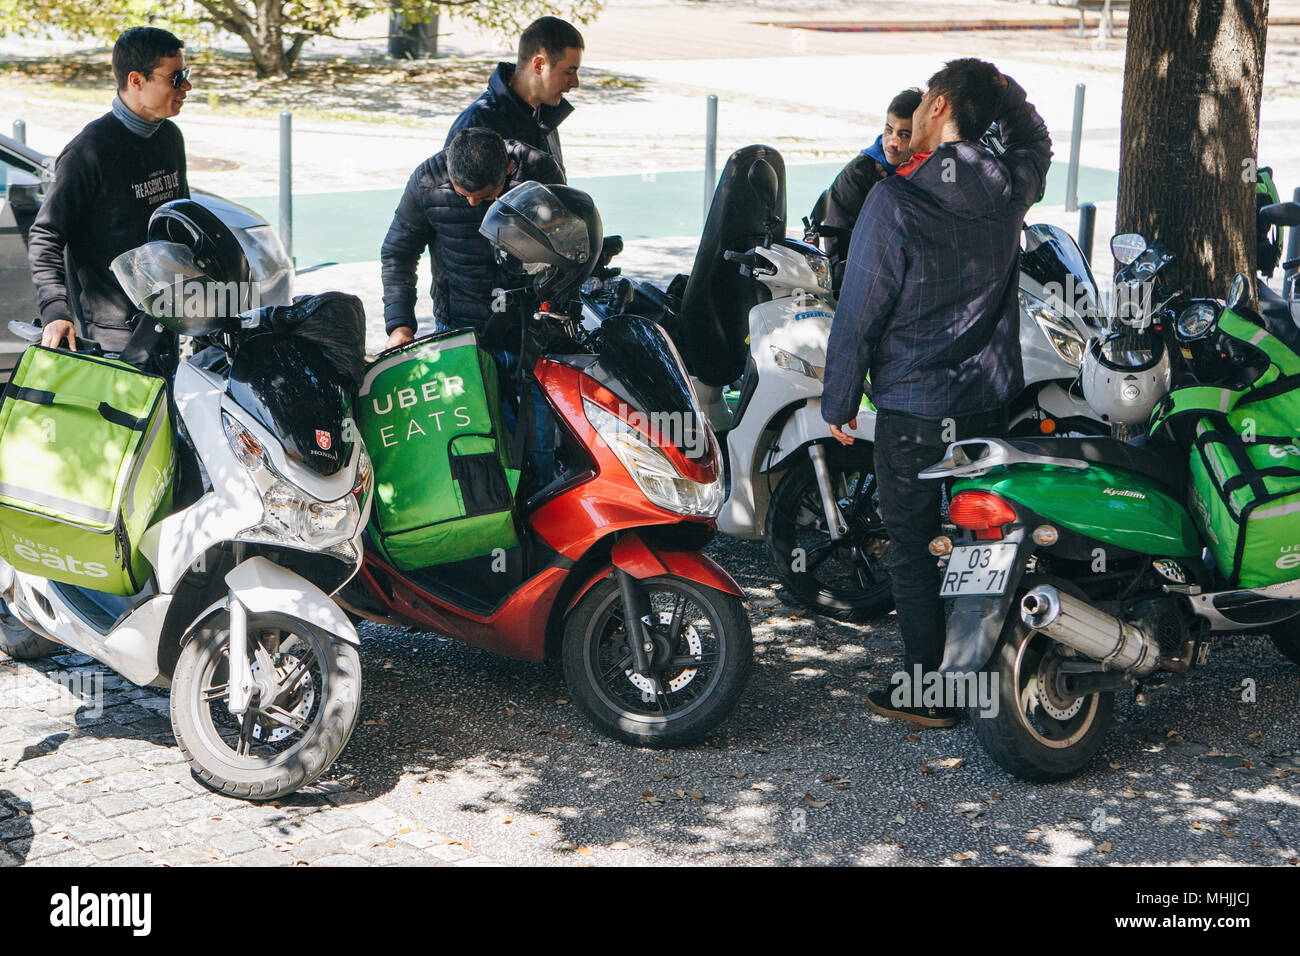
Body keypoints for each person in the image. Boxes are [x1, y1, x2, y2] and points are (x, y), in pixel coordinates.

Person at [821, 59, 1052, 728]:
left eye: (924, 100)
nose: (916, 111)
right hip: (994, 400)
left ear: (940, 104)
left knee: (915, 547)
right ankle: (991, 664)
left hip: (916, 411)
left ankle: (933, 691)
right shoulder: (1008, 186)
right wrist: (1003, 89)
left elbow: (858, 314)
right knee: (989, 540)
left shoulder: (896, 200)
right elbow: (1035, 138)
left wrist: (839, 405)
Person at [380, 126, 563, 482]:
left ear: (507, 170)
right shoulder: (427, 182)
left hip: (531, 332)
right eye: (464, 195)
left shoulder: (539, 171)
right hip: (461, 331)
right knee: (478, 444)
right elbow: (398, 252)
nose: (471, 205)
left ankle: (540, 519)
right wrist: (400, 324)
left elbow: (564, 241)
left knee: (540, 444)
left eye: (483, 197)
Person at [28, 26, 192, 357]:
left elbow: (180, 221)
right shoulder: (88, 153)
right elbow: (45, 236)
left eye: (186, 74)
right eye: (176, 77)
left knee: (166, 409)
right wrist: (55, 312)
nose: (187, 86)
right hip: (112, 336)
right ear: (136, 80)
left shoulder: (170, 137)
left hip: (165, 319)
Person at [445, 16, 583, 178]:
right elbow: (456, 197)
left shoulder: (543, 115)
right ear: (539, 65)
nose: (575, 82)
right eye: (568, 72)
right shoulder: (476, 125)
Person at [817, 88, 923, 264]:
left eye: (904, 135)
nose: (892, 142)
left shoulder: (932, 167)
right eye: (888, 130)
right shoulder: (858, 173)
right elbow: (837, 241)